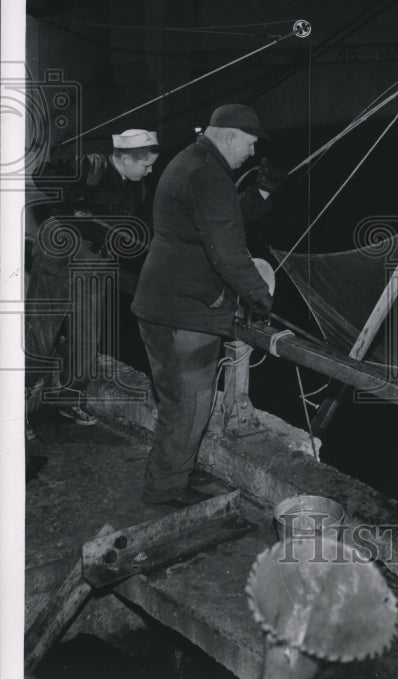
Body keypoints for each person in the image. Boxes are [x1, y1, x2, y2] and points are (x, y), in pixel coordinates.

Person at [131, 104, 284, 508]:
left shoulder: (191, 161)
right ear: (230, 135)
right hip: (184, 312)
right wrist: (259, 296)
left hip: (162, 302)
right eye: (250, 145)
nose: (251, 155)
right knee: (190, 404)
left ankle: (173, 468)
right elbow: (227, 249)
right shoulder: (208, 174)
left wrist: (263, 193)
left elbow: (220, 217)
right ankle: (165, 490)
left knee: (177, 402)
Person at [25, 129, 159, 427]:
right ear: (125, 159)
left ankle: (69, 399)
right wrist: (67, 183)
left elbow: (141, 226)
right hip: (60, 248)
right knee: (42, 330)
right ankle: (17, 405)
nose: (150, 170)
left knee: (86, 335)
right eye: (145, 165)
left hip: (96, 258)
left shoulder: (138, 188)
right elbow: (42, 175)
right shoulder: (92, 166)